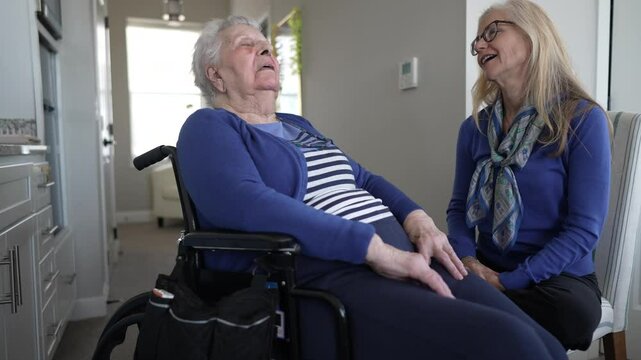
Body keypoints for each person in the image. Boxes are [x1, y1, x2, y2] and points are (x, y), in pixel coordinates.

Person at [178, 15, 567, 360]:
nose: (265, 47)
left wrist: (418, 220)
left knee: (542, 340)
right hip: (331, 271)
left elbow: (363, 178)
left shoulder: (298, 125)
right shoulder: (209, 127)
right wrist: (373, 249)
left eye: (266, 44)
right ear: (216, 74)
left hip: (404, 252)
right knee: (511, 344)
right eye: (247, 45)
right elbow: (245, 203)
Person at [447, 0, 611, 351]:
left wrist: (507, 282)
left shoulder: (582, 119)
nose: (478, 46)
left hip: (558, 279)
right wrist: (468, 261)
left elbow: (584, 229)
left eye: (491, 33)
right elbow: (458, 210)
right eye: (476, 40)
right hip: (485, 264)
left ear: (533, 36)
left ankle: (483, 317)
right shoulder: (473, 129)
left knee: (571, 314)